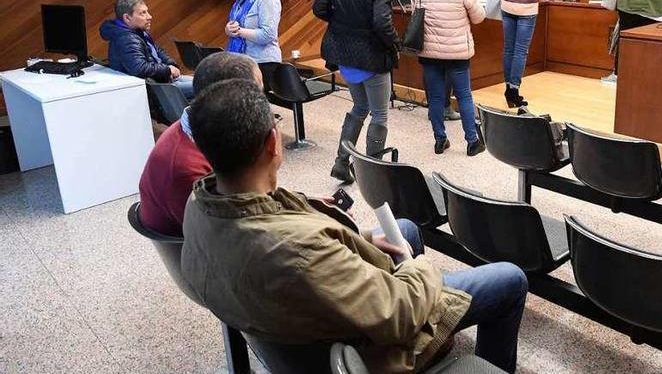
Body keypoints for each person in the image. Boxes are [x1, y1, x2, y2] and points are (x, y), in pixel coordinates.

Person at [181, 79, 528, 373]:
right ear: (273, 142)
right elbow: (400, 312)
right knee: (510, 279)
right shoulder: (296, 251)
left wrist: (357, 240)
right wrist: (416, 267)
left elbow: (303, 241)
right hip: (369, 348)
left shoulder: (199, 205)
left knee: (403, 228)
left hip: (298, 313)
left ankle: (437, 332)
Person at [138, 52, 262, 236]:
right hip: (203, 251)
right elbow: (237, 236)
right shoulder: (191, 170)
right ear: (236, 101)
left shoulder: (190, 127)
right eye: (259, 92)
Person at [313, 0, 400, 184]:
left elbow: (319, 9)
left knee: (360, 107)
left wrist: (343, 25)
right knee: (380, 113)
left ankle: (341, 162)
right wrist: (397, 44)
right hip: (372, 59)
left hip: (345, 56)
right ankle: (373, 173)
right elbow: (383, 25)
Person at [413, 0, 486, 156]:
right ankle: (472, 142)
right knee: (464, 96)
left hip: (430, 52)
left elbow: (416, 15)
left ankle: (440, 139)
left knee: (435, 98)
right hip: (457, 53)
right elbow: (479, 17)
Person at [412, 0, 462, 122]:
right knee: (445, 68)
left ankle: (436, 107)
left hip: (425, 22)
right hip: (438, 23)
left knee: (430, 68)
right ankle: (443, 106)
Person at [100, 0, 194, 100]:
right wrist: (167, 70)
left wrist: (170, 64)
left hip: (164, 80)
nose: (149, 17)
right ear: (127, 18)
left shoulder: (136, 32)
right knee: (210, 87)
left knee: (209, 81)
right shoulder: (127, 39)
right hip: (160, 89)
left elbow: (156, 50)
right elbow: (139, 68)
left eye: (147, 11)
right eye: (143, 13)